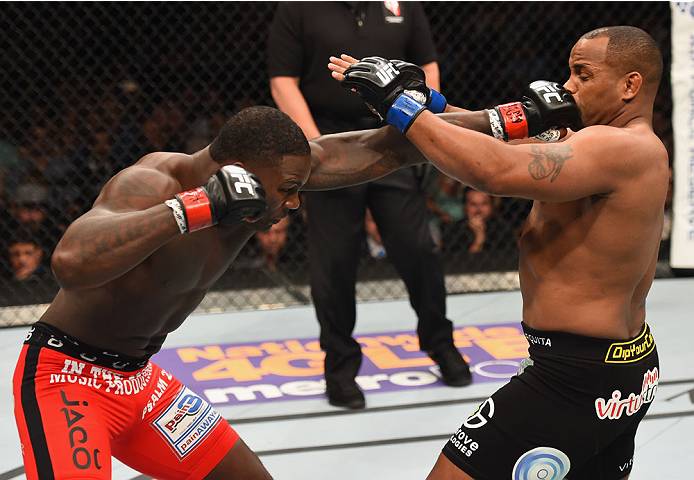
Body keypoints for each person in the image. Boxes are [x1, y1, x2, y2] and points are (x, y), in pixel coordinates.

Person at [13, 101, 549, 479]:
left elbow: (388, 147)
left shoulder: (270, 182)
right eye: (288, 190)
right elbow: (70, 263)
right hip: (66, 377)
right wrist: (191, 210)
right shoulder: (155, 182)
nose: (294, 203)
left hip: (141, 381)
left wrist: (511, 119)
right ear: (240, 173)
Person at [332, 25, 666, 480]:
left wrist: (399, 105)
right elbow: (497, 141)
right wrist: (431, 104)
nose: (568, 86)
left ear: (630, 85)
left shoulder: (620, 147)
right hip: (617, 367)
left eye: (583, 75)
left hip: (575, 376)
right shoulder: (604, 145)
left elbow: (492, 169)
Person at [268, 0, 471, 410]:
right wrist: (317, 149)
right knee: (334, 262)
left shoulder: (404, 5)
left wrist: (414, 116)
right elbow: (282, 81)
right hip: (327, 140)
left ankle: (441, 344)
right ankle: (340, 368)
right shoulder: (298, 8)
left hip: (392, 136)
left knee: (419, 250)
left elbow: (426, 68)